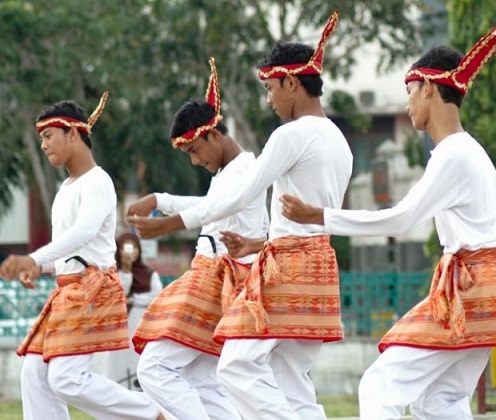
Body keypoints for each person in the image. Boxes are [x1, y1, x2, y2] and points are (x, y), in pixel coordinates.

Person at [281, 28, 496, 420]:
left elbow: (401, 217)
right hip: (489, 291)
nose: (407, 102)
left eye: (409, 90)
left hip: (469, 290)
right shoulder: (471, 152)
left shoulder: (453, 155)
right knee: (438, 401)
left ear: (428, 87)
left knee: (379, 386)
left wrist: (320, 216)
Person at [129, 11, 352, 420]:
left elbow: (242, 195)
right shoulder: (340, 141)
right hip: (318, 263)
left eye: (270, 88)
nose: (269, 98)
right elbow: (313, 217)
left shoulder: (290, 135)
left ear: (291, 82)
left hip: (287, 266)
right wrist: (257, 243)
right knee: (290, 380)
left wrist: (167, 222)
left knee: (235, 367)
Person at [0, 94, 163, 419]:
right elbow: (69, 248)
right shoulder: (65, 190)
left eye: (48, 136)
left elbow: (86, 231)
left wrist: (33, 257)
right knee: (33, 372)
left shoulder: (98, 182)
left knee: (66, 379)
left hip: (92, 289)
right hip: (68, 290)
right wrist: (42, 267)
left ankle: (154, 414)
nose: (44, 145)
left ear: (73, 134)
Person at [127, 57, 268, 420]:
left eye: (194, 151)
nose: (194, 161)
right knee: (202, 378)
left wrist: (166, 223)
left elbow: (211, 210)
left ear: (215, 135)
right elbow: (211, 204)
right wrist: (161, 200)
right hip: (214, 277)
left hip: (220, 277)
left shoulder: (245, 171)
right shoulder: (231, 171)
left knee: (154, 368)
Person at [105, 232, 163, 389]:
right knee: (118, 361)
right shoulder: (113, 274)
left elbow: (156, 295)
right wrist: (126, 270)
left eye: (134, 248)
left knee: (138, 359)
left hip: (140, 324)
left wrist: (135, 300)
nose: (131, 252)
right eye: (126, 248)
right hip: (119, 325)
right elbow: (119, 294)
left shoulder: (149, 274)